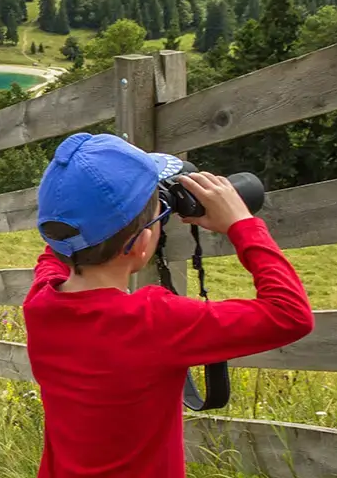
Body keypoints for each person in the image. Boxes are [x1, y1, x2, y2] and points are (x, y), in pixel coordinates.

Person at [22, 133, 315, 478]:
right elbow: (290, 314)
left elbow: (54, 256)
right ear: (142, 242)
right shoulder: (155, 320)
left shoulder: (42, 303)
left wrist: (118, 207)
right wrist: (241, 223)